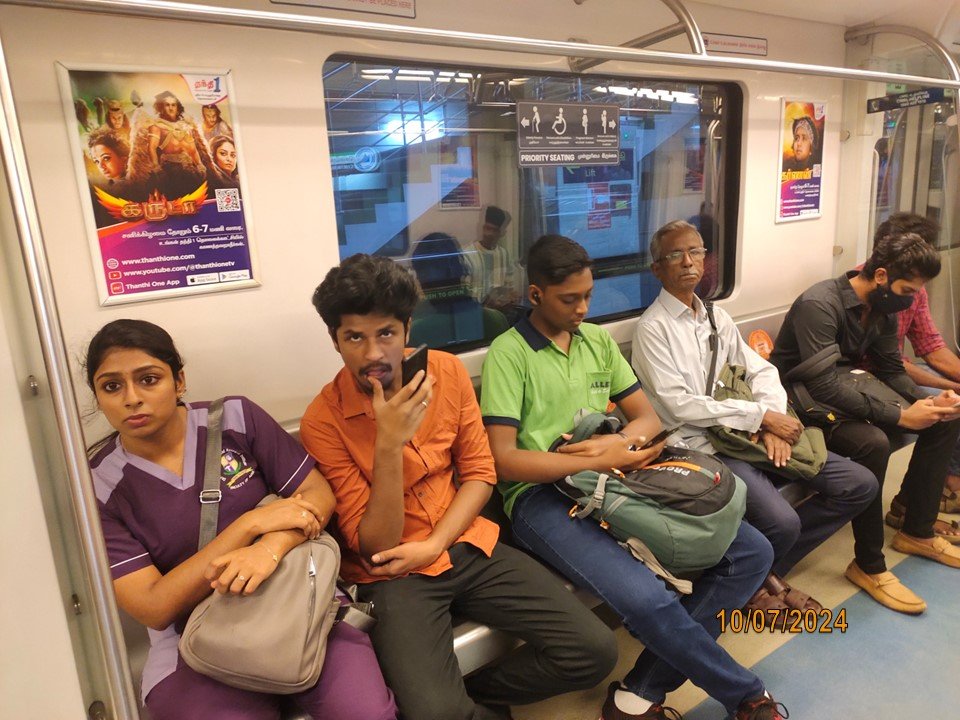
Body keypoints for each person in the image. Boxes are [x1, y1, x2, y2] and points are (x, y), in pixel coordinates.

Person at [481, 235, 786, 720]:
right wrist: (591, 461)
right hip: (541, 496)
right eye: (569, 299)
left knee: (753, 552)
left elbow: (646, 418)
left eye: (588, 296)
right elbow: (505, 460)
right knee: (648, 599)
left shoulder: (597, 341)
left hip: (616, 474)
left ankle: (642, 688)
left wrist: (617, 446)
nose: (582, 309)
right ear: (536, 295)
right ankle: (747, 696)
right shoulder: (509, 353)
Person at [300, 255, 617, 720]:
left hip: (465, 542)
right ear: (335, 340)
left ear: (407, 329)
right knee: (436, 713)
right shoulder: (323, 420)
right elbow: (376, 546)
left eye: (386, 334)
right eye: (354, 338)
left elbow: (480, 473)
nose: (373, 354)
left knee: (594, 651)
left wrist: (436, 543)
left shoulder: (446, 373)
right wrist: (388, 445)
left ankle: (477, 695)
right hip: (393, 575)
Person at [85, 319, 396, 720]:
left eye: (149, 379)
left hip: (299, 595)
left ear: (179, 381)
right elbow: (153, 606)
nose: (132, 399)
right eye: (112, 386)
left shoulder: (234, 419)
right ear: (98, 397)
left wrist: (270, 547)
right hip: (196, 635)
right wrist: (249, 526)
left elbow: (318, 496)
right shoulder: (100, 485)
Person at [631, 220, 877, 622]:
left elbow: (760, 371)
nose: (688, 262)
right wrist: (759, 417)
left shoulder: (716, 317)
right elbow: (679, 406)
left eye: (695, 251)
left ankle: (761, 577)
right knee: (783, 522)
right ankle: (757, 583)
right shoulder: (652, 329)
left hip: (748, 431)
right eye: (675, 255)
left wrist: (770, 418)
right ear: (657, 268)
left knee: (859, 484)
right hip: (706, 444)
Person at [770, 232, 960, 614]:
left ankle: (916, 531)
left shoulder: (882, 309)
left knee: (943, 420)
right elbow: (821, 384)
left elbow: (890, 368)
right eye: (908, 290)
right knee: (873, 442)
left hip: (844, 387)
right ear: (881, 276)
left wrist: (925, 402)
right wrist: (902, 415)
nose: (911, 300)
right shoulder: (819, 304)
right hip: (796, 401)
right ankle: (869, 565)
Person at [862, 213, 960, 525]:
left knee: (950, 401)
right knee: (947, 408)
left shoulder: (915, 289)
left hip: (896, 372)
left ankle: (912, 501)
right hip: (870, 378)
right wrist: (950, 388)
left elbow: (930, 344)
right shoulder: (870, 290)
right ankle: (946, 488)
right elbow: (886, 364)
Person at [128, 91, 211, 197]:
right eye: (167, 105)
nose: (171, 108)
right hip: (169, 170)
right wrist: (157, 168)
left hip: (189, 169)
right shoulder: (157, 126)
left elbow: (192, 150)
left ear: (178, 107)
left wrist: (199, 165)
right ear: (162, 108)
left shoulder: (185, 126)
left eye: (173, 105)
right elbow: (152, 148)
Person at [463, 205, 520, 317]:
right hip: (474, 314)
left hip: (500, 314)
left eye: (495, 230)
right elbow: (464, 293)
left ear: (502, 233)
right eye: (487, 228)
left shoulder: (503, 254)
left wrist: (511, 296)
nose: (489, 234)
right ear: (483, 227)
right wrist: (486, 301)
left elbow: (509, 285)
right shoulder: (467, 255)